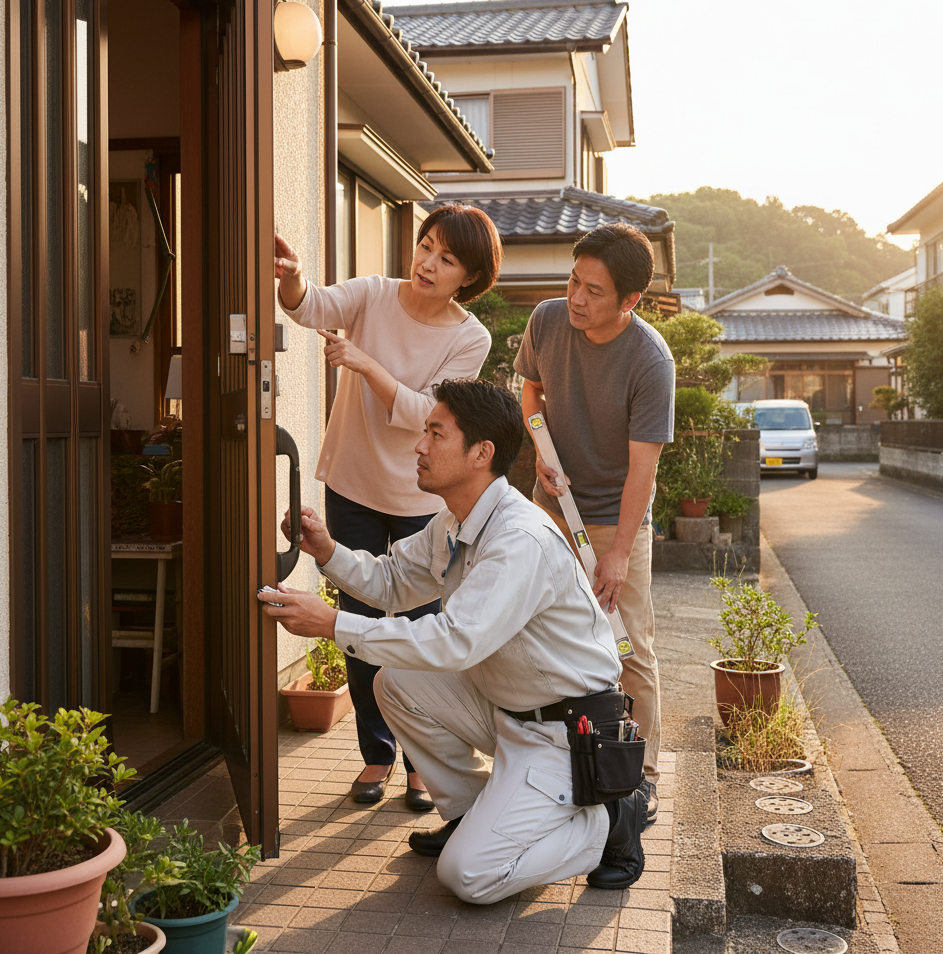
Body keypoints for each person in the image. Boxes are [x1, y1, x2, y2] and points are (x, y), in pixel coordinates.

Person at [260, 379, 646, 905]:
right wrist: (328, 551)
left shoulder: (518, 540)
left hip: (566, 734)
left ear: (480, 454)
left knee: (467, 877)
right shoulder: (455, 521)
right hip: (508, 708)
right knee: (397, 683)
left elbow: (454, 642)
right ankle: (469, 816)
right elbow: (394, 580)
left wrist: (333, 624)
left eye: (435, 434)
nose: (419, 446)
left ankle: (612, 822)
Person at [274, 205, 501, 811]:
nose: (428, 262)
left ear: (468, 276)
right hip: (352, 482)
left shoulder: (468, 336)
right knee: (358, 621)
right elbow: (310, 305)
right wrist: (292, 277)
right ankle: (376, 753)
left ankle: (423, 763)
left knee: (419, 629)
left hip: (420, 498)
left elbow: (425, 411)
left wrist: (363, 361)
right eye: (426, 245)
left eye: (447, 258)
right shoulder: (372, 295)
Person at [513, 223, 675, 824]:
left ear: (630, 299)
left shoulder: (649, 359)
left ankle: (643, 775)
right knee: (539, 630)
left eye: (594, 291)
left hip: (614, 516)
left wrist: (618, 554)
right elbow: (530, 395)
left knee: (629, 643)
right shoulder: (549, 320)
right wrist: (541, 450)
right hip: (548, 506)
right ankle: (555, 759)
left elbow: (644, 469)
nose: (577, 299)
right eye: (573, 281)